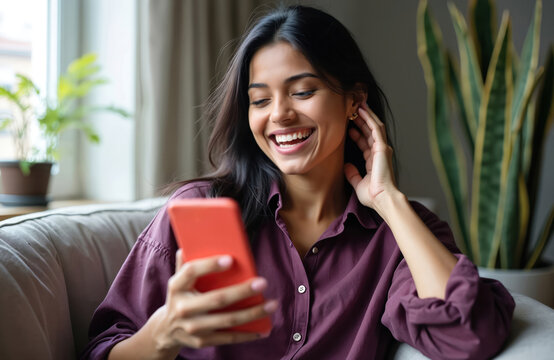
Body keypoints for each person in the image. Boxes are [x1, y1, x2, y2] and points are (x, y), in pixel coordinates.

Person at [82, 5, 514, 360]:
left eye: (303, 91)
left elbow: (470, 335)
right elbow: (103, 350)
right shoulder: (199, 209)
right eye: (260, 100)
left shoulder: (399, 236)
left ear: (354, 102)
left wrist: (388, 200)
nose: (279, 115)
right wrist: (163, 333)